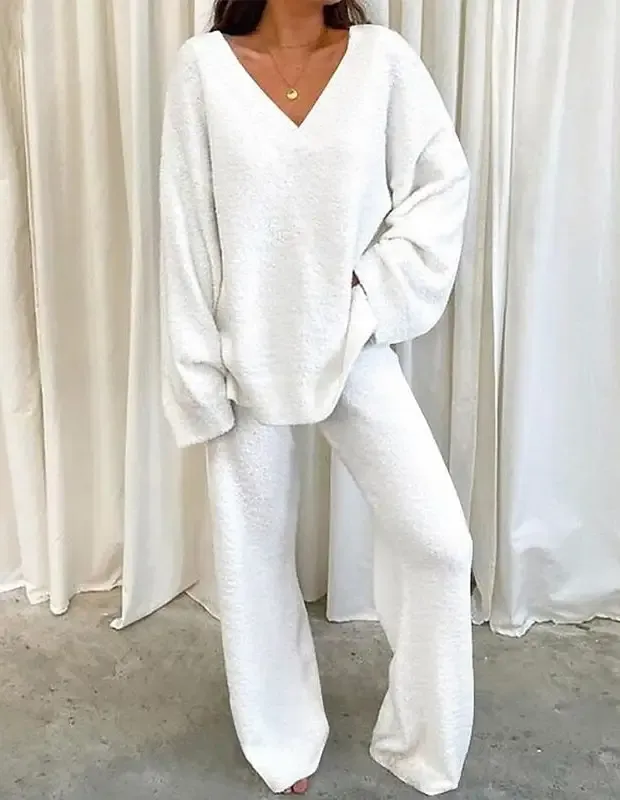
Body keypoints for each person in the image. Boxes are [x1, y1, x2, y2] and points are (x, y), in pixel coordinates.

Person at [159, 0, 473, 795]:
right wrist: (199, 373)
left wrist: (372, 295)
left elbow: (441, 183)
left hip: (350, 345)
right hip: (244, 357)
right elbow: (186, 232)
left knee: (440, 544)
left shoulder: (383, 61)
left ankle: (423, 737)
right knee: (253, 560)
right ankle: (282, 739)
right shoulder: (204, 72)